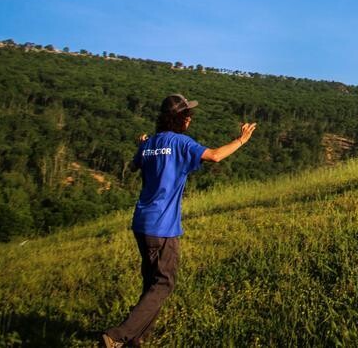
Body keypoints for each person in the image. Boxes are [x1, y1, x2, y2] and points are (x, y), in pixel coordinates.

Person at [102, 94, 256, 348]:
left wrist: (142, 145)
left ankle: (134, 339)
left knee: (152, 284)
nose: (190, 119)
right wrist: (241, 139)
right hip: (163, 228)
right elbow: (215, 155)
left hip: (141, 223)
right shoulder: (181, 143)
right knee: (164, 283)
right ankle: (118, 336)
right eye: (188, 115)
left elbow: (133, 166)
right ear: (182, 120)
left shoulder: (149, 143)